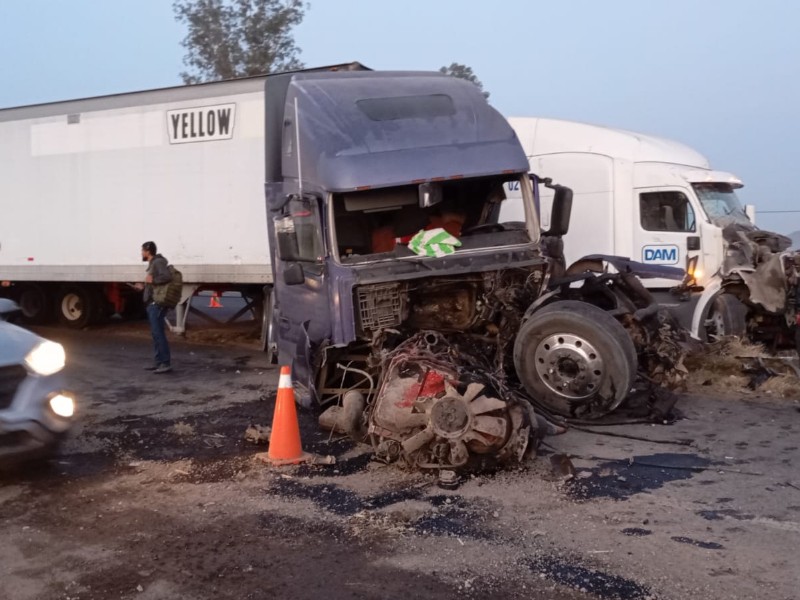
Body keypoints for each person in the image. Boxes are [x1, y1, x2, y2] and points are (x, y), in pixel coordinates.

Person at [140, 241, 173, 373]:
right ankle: (159, 362)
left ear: (148, 251)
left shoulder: (158, 262)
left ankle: (165, 363)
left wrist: (152, 280)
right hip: (152, 303)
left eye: (142, 250)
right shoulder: (153, 263)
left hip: (156, 304)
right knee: (155, 333)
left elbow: (166, 276)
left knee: (158, 333)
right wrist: (143, 287)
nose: (141, 253)